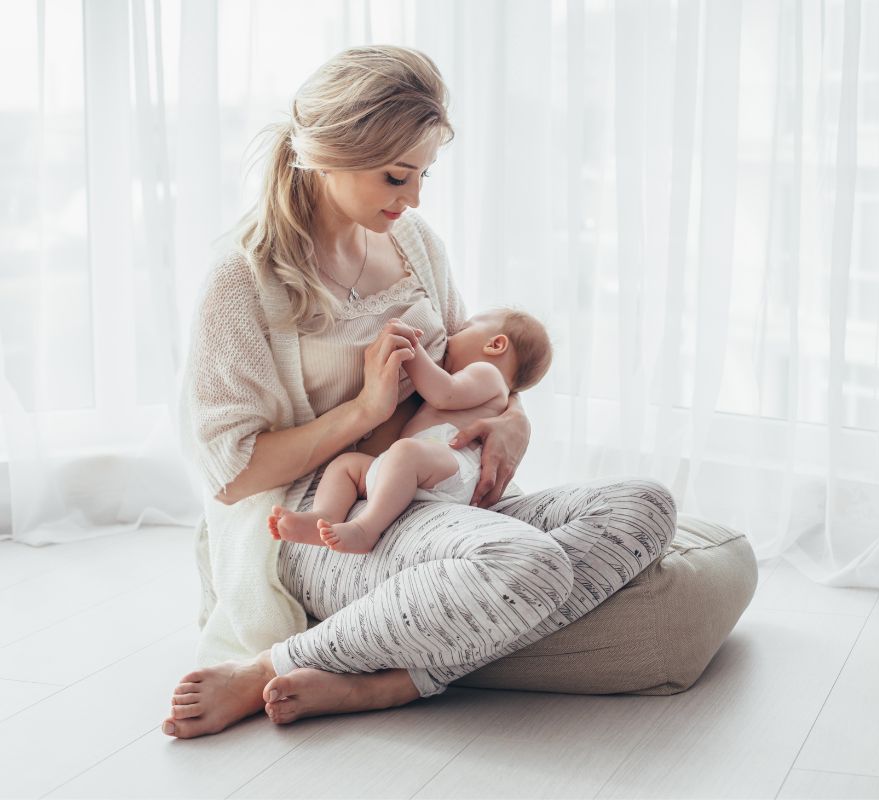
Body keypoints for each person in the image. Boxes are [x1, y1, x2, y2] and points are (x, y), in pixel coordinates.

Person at [164, 44, 676, 739]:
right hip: (329, 517)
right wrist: (364, 411)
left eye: (424, 174)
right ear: (330, 154)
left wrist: (514, 419)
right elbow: (232, 477)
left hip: (440, 495)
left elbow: (476, 363)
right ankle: (269, 669)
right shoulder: (243, 278)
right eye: (396, 176)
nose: (413, 199)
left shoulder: (414, 244)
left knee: (645, 504)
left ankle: (399, 681)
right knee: (527, 564)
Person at [267, 307, 553, 554]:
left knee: (405, 452)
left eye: (464, 329)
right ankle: (324, 516)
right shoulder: (489, 387)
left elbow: (443, 393)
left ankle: (366, 529)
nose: (450, 337)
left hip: (451, 469)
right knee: (346, 465)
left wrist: (412, 351)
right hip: (410, 471)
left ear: (495, 344)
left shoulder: (488, 374)